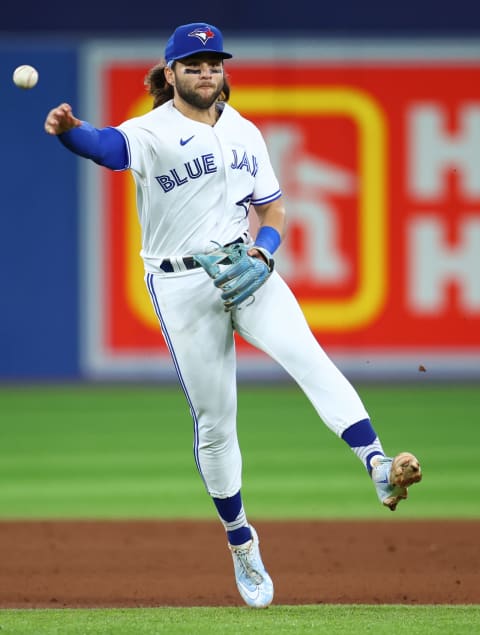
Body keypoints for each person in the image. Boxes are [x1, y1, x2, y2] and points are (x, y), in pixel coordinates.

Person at [44, 22, 422, 608]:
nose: (206, 73)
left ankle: (375, 462)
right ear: (169, 74)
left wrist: (265, 252)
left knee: (310, 359)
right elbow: (105, 147)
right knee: (217, 422)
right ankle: (241, 540)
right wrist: (71, 132)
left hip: (247, 270)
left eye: (214, 63)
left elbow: (272, 208)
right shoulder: (150, 131)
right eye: (193, 65)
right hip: (181, 286)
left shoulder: (245, 131)